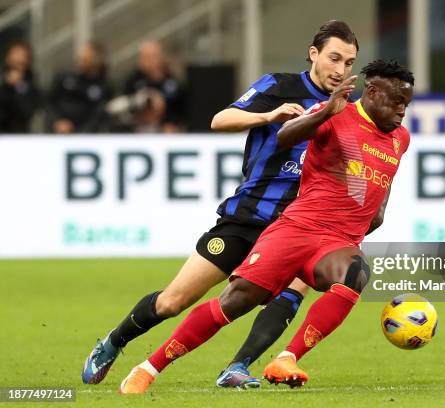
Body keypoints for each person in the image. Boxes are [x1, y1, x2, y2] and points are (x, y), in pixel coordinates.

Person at [82, 20, 359, 389]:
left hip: (298, 225)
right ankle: (115, 341)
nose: (340, 70)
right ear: (314, 54)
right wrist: (269, 116)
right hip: (247, 218)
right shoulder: (279, 87)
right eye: (334, 58)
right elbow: (220, 119)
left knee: (294, 289)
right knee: (172, 302)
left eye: (349, 63)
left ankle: (238, 367)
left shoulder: (346, 109)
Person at [117, 59, 414, 393]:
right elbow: (286, 136)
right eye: (396, 101)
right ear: (372, 92)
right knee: (236, 300)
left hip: (337, 242)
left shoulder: (400, 138)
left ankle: (287, 357)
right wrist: (325, 112)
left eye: (407, 103)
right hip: (297, 228)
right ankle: (149, 367)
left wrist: (374, 217)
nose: (402, 110)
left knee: (355, 274)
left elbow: (383, 187)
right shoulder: (334, 112)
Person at [46, 41, 113, 133]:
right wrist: (57, 121)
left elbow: (98, 115)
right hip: (58, 131)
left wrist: (81, 132)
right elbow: (49, 102)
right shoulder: (64, 77)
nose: (80, 62)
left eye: (85, 60)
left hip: (85, 135)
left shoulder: (105, 86)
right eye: (80, 59)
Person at [121, 40, 186, 133]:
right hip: (137, 130)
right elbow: (125, 106)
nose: (150, 61)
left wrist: (172, 123)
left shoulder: (172, 82)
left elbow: (181, 108)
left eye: (154, 56)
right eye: (146, 57)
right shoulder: (132, 82)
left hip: (167, 131)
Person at [0, 40, 41, 133]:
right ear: (7, 58)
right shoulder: (2, 81)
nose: (18, 57)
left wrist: (17, 86)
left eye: (21, 54)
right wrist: (7, 86)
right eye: (15, 53)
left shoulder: (32, 85)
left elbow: (28, 112)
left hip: (19, 134)